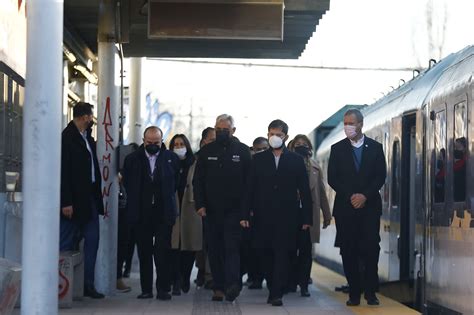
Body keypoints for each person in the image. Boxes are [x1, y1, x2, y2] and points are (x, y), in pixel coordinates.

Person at [241, 119, 312, 307]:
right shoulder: (258, 159)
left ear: (286, 137)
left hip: (288, 218)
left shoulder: (296, 160)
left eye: (278, 135)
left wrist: (307, 218)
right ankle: (273, 285)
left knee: (282, 254)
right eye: (271, 133)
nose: (274, 138)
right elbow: (249, 189)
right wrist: (244, 215)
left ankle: (276, 293)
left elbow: (305, 191)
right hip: (262, 216)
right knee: (265, 254)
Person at [327, 109, 386, 306]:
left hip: (369, 208)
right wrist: (351, 196)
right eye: (345, 123)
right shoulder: (337, 149)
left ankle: (370, 292)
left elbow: (380, 176)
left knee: (370, 249)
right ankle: (354, 292)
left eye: (350, 123)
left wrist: (365, 196)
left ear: (360, 124)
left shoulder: (376, 148)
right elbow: (332, 178)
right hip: (346, 208)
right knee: (349, 250)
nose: (347, 127)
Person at [194, 115, 252, 302]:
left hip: (235, 212)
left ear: (233, 131)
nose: (221, 133)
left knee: (232, 249)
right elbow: (198, 181)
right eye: (218, 130)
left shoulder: (243, 152)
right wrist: (200, 204)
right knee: (215, 250)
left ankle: (232, 284)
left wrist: (245, 212)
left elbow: (249, 184)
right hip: (211, 211)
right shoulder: (205, 151)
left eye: (225, 130)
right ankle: (218, 287)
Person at [122, 126, 180, 300]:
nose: (153, 145)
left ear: (162, 141)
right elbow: (127, 182)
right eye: (149, 142)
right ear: (143, 140)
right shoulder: (132, 159)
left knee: (162, 251)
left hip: (163, 212)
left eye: (157, 142)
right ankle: (146, 289)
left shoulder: (171, 158)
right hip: (141, 213)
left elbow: (176, 182)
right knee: (144, 252)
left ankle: (163, 288)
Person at [60, 102, 105, 299]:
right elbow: (64, 172)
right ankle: (62, 286)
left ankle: (88, 284)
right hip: (72, 202)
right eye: (90, 116)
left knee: (92, 241)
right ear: (84, 116)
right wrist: (65, 202)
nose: (91, 120)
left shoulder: (87, 138)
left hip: (89, 199)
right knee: (66, 243)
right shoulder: (67, 137)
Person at [289, 134, 331, 297]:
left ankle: (304, 283)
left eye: (304, 144)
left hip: (309, 214)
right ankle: (291, 281)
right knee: (291, 250)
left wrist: (326, 214)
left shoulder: (315, 167)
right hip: (291, 214)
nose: (301, 146)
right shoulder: (286, 164)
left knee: (306, 251)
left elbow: (321, 191)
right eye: (297, 144)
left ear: (309, 147)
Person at [168, 134, 202, 295]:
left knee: (189, 246)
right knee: (174, 246)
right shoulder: (168, 162)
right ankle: (175, 280)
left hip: (190, 208)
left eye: (182, 144)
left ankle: (185, 277)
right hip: (173, 208)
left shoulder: (194, 163)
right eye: (176, 144)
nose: (179, 147)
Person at [194, 127, 216, 289]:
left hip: (215, 210)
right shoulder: (197, 159)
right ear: (204, 142)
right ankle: (202, 271)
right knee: (199, 245)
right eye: (211, 140)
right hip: (198, 209)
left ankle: (210, 276)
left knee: (211, 244)